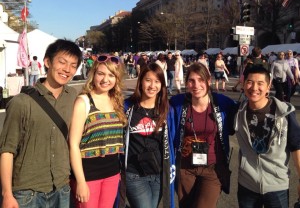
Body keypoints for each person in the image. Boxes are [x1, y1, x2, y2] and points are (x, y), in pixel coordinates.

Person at [0, 39, 82, 208]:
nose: (67, 69)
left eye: (73, 65)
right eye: (62, 62)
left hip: (61, 187)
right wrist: (7, 194)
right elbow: (7, 150)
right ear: (47, 62)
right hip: (28, 192)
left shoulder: (72, 96)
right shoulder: (21, 102)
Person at [170, 63, 237, 208]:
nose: (196, 85)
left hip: (213, 167)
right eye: (191, 80)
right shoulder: (178, 103)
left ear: (208, 81)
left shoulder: (222, 103)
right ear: (186, 83)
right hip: (185, 167)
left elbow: (245, 111)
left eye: (201, 80)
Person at [234, 65, 300, 208]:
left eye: (260, 83)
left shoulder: (285, 113)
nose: (254, 88)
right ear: (244, 84)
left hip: (277, 185)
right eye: (250, 82)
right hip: (247, 184)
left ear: (268, 86)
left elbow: (296, 147)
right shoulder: (238, 112)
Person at [69, 54, 127, 208]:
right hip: (88, 174)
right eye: (101, 74)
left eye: (111, 75)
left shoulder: (116, 101)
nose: (105, 79)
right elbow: (73, 144)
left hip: (112, 173)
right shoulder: (84, 101)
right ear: (93, 74)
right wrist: (80, 181)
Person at [123, 63, 176, 208]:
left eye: (157, 81)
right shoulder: (127, 107)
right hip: (134, 174)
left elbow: (173, 139)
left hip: (158, 173)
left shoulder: (167, 110)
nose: (152, 85)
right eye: (148, 80)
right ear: (140, 82)